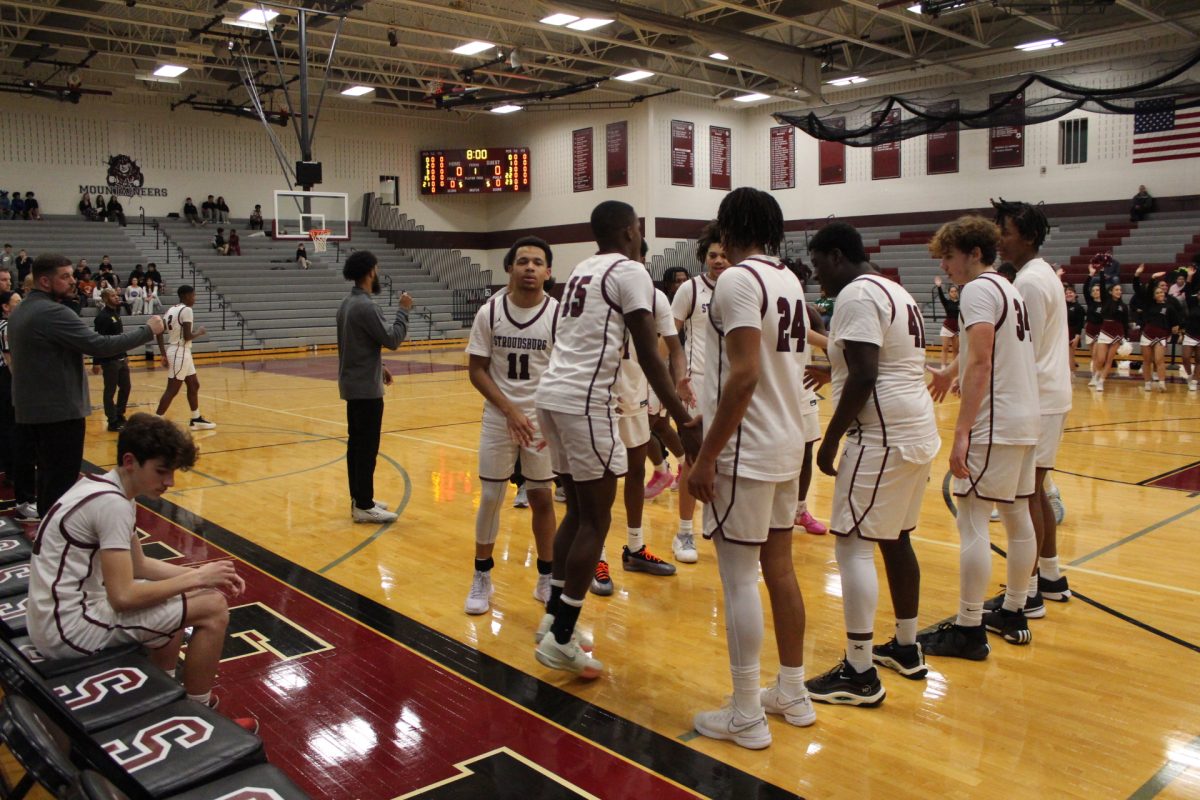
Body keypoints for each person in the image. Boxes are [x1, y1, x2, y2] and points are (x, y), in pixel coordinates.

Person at [533, 200, 698, 679]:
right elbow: (650, 353)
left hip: (553, 396)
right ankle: (563, 637)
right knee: (595, 520)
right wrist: (685, 418)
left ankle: (551, 622)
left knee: (579, 513)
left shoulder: (582, 269)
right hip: (586, 402)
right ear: (631, 230)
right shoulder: (630, 272)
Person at [27, 414, 257, 731]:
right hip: (68, 629)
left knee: (181, 599)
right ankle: (201, 719)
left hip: (52, 617)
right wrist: (198, 579)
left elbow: (140, 565)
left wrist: (197, 574)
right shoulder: (113, 505)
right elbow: (123, 597)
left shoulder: (106, 488)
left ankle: (161, 700)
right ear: (130, 461)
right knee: (213, 608)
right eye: (162, 471)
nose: (171, 481)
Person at [687, 188, 812, 749]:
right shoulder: (787, 278)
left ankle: (745, 714)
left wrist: (706, 456)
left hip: (747, 449)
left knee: (739, 578)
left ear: (727, 226)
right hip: (787, 444)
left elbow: (742, 376)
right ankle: (792, 692)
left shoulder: (738, 280)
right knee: (779, 570)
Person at [798, 222, 938, 707]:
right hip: (916, 427)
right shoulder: (894, 290)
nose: (817, 279)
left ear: (836, 256)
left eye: (818, 266)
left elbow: (864, 374)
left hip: (881, 434)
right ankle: (906, 645)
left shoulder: (857, 295)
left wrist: (829, 440)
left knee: (853, 546)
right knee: (896, 539)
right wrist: (830, 369)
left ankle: (858, 672)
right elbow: (876, 363)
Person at [920, 216, 1039, 659]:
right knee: (1018, 514)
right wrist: (948, 371)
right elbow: (984, 351)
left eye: (949, 257)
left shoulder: (977, 290)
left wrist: (962, 431)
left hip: (997, 419)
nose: (945, 266)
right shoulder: (1008, 287)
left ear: (974, 253)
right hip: (1026, 416)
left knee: (971, 517)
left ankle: (968, 628)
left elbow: (982, 362)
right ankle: (1014, 609)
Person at [7, 255, 163, 518]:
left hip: (31, 411)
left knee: (47, 480)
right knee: (60, 487)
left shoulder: (21, 309)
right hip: (59, 413)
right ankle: (57, 547)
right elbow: (99, 345)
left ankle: (47, 540)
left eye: (72, 275)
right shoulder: (53, 312)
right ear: (45, 281)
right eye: (65, 277)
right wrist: (148, 331)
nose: (73, 281)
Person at [463, 237, 558, 615]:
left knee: (541, 497)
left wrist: (542, 414)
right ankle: (482, 575)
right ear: (510, 268)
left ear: (549, 272)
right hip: (499, 417)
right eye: (523, 261)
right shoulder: (490, 312)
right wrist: (510, 411)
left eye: (538, 262)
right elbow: (476, 371)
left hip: (541, 421)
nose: (530, 267)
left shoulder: (557, 314)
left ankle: (547, 576)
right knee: (490, 496)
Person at [991, 199, 1073, 611]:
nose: (1000, 240)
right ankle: (1052, 576)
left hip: (1039, 397)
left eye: (1005, 232)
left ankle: (1031, 589)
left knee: (1026, 496)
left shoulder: (1028, 283)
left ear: (1027, 234)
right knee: (1036, 492)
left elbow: (1026, 350)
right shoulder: (1040, 275)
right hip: (1050, 395)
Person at [599, 240, 682, 594]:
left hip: (636, 397)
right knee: (600, 482)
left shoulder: (656, 298)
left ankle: (634, 548)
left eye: (637, 257)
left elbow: (674, 349)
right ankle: (596, 557)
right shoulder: (597, 293)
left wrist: (674, 390)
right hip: (600, 398)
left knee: (635, 473)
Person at [669, 222, 729, 561]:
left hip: (730, 386)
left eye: (723, 255)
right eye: (712, 255)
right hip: (696, 385)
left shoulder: (743, 288)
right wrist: (665, 383)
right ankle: (684, 533)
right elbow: (669, 339)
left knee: (727, 461)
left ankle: (720, 524)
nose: (718, 261)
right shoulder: (690, 290)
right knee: (694, 460)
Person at [337, 250, 412, 523]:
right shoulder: (367, 306)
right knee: (367, 448)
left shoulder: (346, 304)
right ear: (370, 271)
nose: (377, 274)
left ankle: (360, 498)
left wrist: (378, 367)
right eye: (376, 270)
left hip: (353, 385)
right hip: (365, 392)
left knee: (356, 446)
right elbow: (392, 339)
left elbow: (355, 345)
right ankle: (364, 505)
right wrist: (403, 310)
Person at [154, 285, 216, 430]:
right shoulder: (187, 310)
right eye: (193, 295)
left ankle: (196, 419)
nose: (195, 298)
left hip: (179, 351)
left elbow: (158, 331)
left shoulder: (171, 309)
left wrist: (163, 353)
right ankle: (155, 424)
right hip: (180, 351)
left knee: (194, 384)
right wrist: (199, 332)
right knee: (172, 389)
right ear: (186, 296)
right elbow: (188, 336)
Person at [1133, 268, 1180, 393]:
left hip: (1161, 336)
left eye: (1161, 293)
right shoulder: (1149, 304)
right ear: (1154, 296)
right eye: (1157, 293)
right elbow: (1148, 291)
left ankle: (1162, 383)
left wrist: (1175, 332)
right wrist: (1153, 277)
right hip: (1147, 335)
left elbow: (1175, 324)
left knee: (1159, 360)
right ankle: (1148, 383)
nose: (1160, 294)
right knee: (1147, 361)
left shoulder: (1169, 307)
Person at [93, 288, 132, 432]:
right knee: (110, 390)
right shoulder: (102, 317)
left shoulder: (116, 313)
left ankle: (119, 414)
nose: (116, 297)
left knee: (126, 387)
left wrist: (125, 354)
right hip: (109, 360)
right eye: (112, 295)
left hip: (120, 358)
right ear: (105, 299)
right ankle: (112, 421)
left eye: (116, 295)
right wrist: (96, 362)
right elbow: (98, 341)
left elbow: (120, 337)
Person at [1093, 282, 1129, 392]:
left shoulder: (1123, 306)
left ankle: (1101, 382)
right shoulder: (1106, 301)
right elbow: (1102, 287)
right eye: (1116, 290)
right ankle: (1096, 375)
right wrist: (1102, 272)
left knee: (1109, 360)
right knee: (1100, 359)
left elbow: (1125, 322)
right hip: (1105, 330)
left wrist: (1125, 338)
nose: (1119, 292)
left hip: (1118, 333)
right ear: (1110, 291)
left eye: (1120, 290)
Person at [934, 276, 960, 366]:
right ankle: (943, 367)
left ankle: (954, 367)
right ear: (949, 293)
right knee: (945, 348)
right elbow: (941, 297)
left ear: (957, 292)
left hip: (956, 329)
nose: (953, 293)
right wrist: (939, 286)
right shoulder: (946, 302)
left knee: (956, 350)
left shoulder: (960, 303)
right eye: (951, 291)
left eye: (955, 291)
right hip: (947, 328)